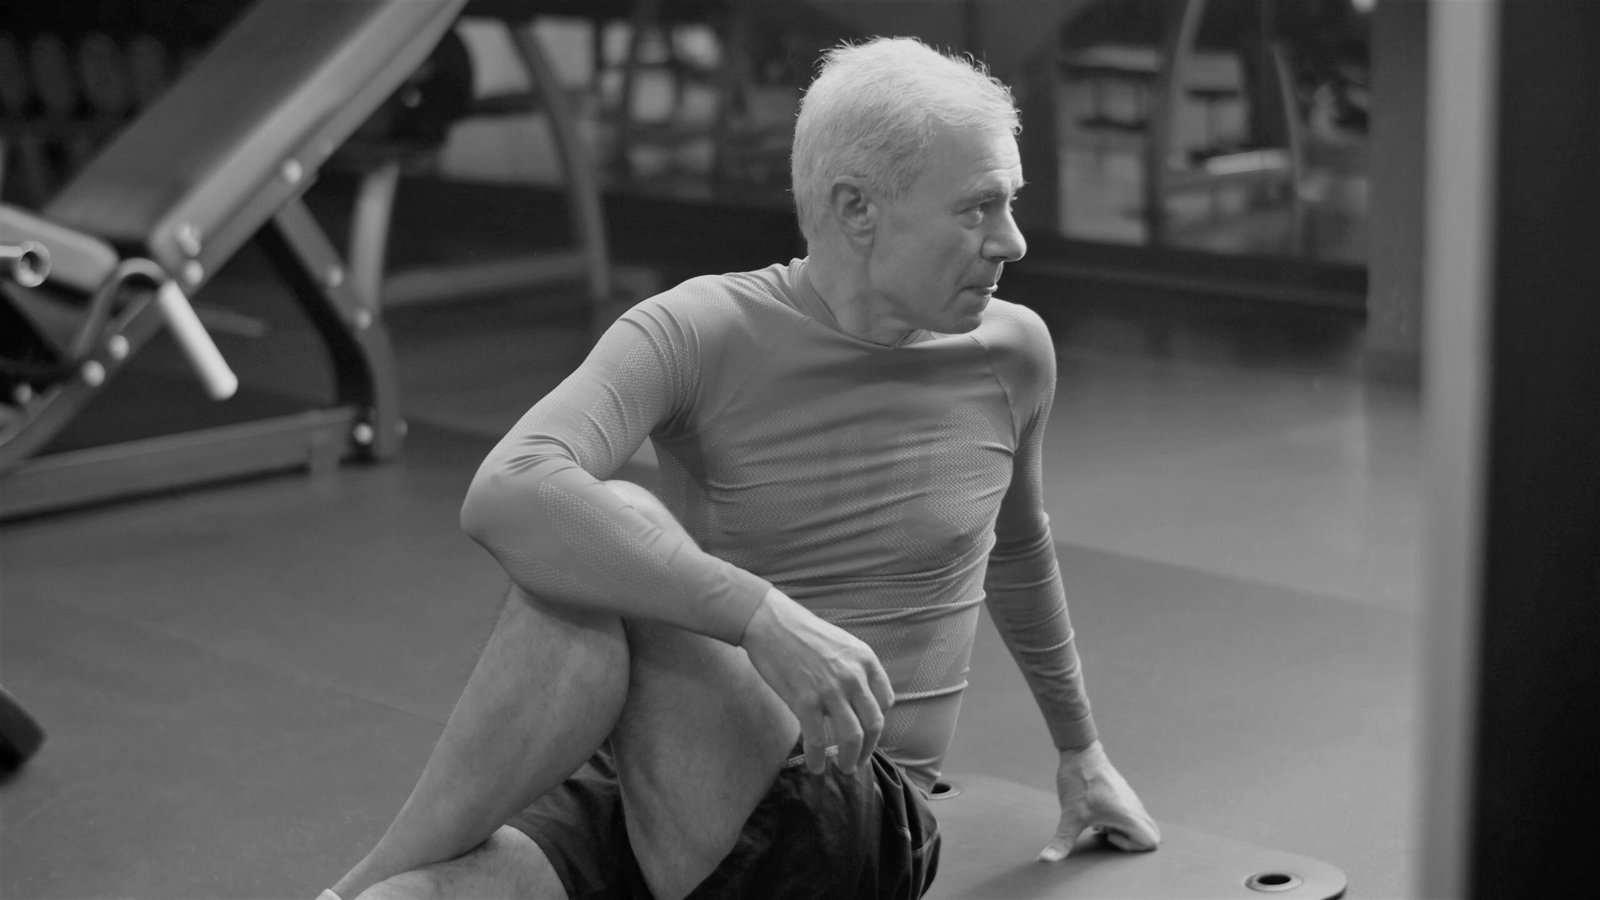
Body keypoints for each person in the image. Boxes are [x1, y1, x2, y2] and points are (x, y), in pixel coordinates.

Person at [323, 36, 1159, 900]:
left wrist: (1082, 751)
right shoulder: (699, 329)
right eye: (978, 209)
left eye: (1009, 204)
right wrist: (762, 617)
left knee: (611, 527)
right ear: (857, 208)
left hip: (845, 816)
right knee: (409, 891)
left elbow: (1017, 553)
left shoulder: (1012, 354)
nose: (1011, 241)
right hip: (656, 782)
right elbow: (506, 490)